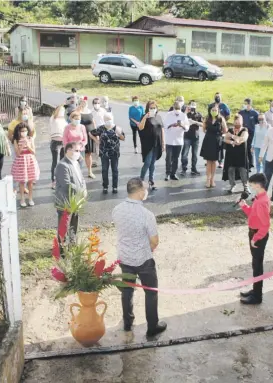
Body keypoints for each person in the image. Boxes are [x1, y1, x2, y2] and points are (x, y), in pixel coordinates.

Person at [112, 177, 167, 337]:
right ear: (140, 192)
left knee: (127, 290)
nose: (147, 191)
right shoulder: (146, 215)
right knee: (150, 292)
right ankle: (152, 326)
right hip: (143, 259)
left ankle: (128, 323)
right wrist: (147, 249)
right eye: (146, 189)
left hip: (124, 257)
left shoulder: (117, 210)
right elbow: (154, 240)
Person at [239, 173, 271, 305]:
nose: (251, 187)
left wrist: (255, 239)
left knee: (257, 266)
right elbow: (253, 215)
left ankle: (257, 296)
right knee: (255, 264)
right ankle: (255, 290)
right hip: (254, 232)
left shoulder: (262, 202)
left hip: (258, 235)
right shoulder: (259, 198)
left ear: (258, 185)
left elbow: (265, 225)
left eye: (252, 185)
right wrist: (244, 206)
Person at [55, 142, 87, 242]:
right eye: (76, 151)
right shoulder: (62, 165)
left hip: (76, 200)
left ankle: (72, 244)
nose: (79, 153)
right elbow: (66, 184)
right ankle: (62, 249)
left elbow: (81, 179)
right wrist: (81, 191)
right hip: (66, 201)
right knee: (64, 225)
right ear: (68, 151)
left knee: (74, 223)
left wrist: (85, 189)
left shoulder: (76, 163)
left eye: (79, 151)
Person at [92, 114, 125, 194]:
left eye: (109, 119)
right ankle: (105, 186)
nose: (108, 121)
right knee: (104, 170)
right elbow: (91, 133)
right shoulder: (101, 128)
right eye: (106, 119)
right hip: (104, 152)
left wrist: (119, 134)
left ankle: (115, 187)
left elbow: (123, 138)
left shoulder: (117, 128)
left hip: (114, 152)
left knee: (115, 170)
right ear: (104, 120)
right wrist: (96, 141)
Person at [11, 122, 40, 207]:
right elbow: (17, 153)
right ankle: (22, 199)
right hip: (21, 162)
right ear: (19, 131)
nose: (24, 132)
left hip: (30, 161)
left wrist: (28, 146)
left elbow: (34, 152)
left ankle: (30, 198)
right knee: (22, 181)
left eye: (26, 130)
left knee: (30, 181)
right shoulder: (16, 140)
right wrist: (22, 146)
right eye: (22, 131)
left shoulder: (30, 139)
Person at [138, 101, 165, 190]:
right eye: (151, 108)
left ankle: (151, 180)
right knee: (147, 163)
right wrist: (145, 117)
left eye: (154, 107)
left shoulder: (159, 117)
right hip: (148, 144)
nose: (153, 109)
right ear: (147, 108)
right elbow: (140, 127)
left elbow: (162, 130)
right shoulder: (144, 116)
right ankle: (141, 180)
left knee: (153, 163)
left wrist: (163, 143)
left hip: (157, 143)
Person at [200, 104, 228, 188]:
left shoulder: (221, 119)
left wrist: (219, 135)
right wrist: (210, 134)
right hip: (208, 140)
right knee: (209, 161)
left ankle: (212, 179)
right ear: (210, 110)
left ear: (218, 111)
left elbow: (225, 130)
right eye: (212, 110)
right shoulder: (207, 118)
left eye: (216, 110)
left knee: (214, 161)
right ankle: (208, 179)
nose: (214, 111)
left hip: (217, 141)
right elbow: (204, 129)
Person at [222, 114, 250, 194]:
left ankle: (246, 186)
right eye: (236, 121)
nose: (237, 123)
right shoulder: (230, 130)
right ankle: (232, 185)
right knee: (230, 169)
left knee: (243, 170)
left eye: (239, 121)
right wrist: (232, 141)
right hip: (231, 154)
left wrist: (231, 136)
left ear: (242, 122)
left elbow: (243, 139)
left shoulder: (245, 130)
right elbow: (225, 139)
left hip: (241, 154)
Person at [163, 101, 189, 181]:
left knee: (176, 158)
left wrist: (182, 125)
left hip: (179, 140)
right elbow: (165, 125)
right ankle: (167, 173)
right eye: (176, 108)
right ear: (173, 108)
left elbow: (187, 128)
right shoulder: (169, 115)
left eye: (178, 109)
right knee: (168, 158)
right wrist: (172, 125)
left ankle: (173, 173)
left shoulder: (183, 115)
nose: (177, 110)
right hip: (169, 140)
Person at [208, 92, 230, 168]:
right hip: (212, 126)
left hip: (220, 128)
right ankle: (209, 160)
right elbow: (208, 115)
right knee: (210, 144)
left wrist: (223, 122)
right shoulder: (211, 105)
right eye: (216, 96)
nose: (217, 98)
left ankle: (220, 162)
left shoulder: (224, 106)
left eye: (218, 96)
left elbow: (228, 115)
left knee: (220, 145)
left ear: (221, 97)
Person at [180, 100, 203, 176]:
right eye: (191, 106)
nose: (192, 107)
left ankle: (194, 168)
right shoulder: (185, 114)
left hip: (195, 137)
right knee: (184, 154)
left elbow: (203, 124)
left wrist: (195, 122)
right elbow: (180, 121)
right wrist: (186, 114)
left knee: (195, 155)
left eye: (194, 105)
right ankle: (184, 168)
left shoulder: (199, 114)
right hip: (187, 136)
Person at [77, 98, 97, 178]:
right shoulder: (78, 111)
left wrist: (96, 133)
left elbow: (93, 122)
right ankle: (78, 172)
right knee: (78, 154)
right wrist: (79, 109)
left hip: (90, 135)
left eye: (85, 102)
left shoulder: (89, 111)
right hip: (80, 136)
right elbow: (73, 118)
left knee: (88, 154)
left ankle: (90, 171)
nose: (84, 103)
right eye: (82, 102)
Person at [49, 105, 67, 189]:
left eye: (63, 110)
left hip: (63, 142)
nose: (62, 112)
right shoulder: (53, 118)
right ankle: (54, 181)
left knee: (62, 162)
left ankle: (61, 179)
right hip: (55, 142)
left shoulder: (63, 119)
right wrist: (59, 107)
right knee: (55, 162)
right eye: (61, 110)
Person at [91, 97, 112, 168]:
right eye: (95, 103)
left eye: (98, 103)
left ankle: (106, 159)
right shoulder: (91, 112)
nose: (97, 104)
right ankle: (94, 161)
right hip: (95, 130)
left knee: (104, 145)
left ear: (100, 104)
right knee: (95, 146)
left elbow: (108, 119)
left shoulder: (103, 111)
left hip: (103, 129)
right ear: (93, 104)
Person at [239, 98, 259, 170]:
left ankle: (250, 164)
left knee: (249, 148)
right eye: (244, 103)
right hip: (242, 132)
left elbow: (258, 123)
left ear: (249, 104)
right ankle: (242, 164)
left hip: (251, 133)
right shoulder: (241, 113)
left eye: (246, 104)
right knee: (242, 148)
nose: (244, 105)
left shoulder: (255, 113)